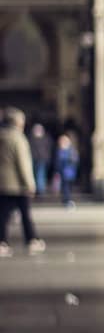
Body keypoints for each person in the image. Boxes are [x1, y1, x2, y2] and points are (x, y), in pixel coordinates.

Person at [0, 108, 44, 256]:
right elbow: (23, 164)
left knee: (3, 215)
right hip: (18, 184)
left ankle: (2, 242)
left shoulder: (2, 136)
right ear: (17, 122)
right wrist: (30, 183)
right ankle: (31, 239)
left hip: (3, 183)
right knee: (25, 214)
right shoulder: (18, 138)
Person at [54, 133, 78, 208]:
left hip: (68, 172)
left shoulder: (69, 150)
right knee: (65, 187)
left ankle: (67, 199)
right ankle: (66, 200)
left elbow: (76, 160)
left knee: (67, 187)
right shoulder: (63, 150)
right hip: (65, 172)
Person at [27, 122, 50, 197]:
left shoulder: (45, 139)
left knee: (40, 174)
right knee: (35, 174)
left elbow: (48, 149)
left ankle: (40, 190)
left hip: (41, 159)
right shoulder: (31, 139)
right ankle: (36, 189)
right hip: (34, 158)